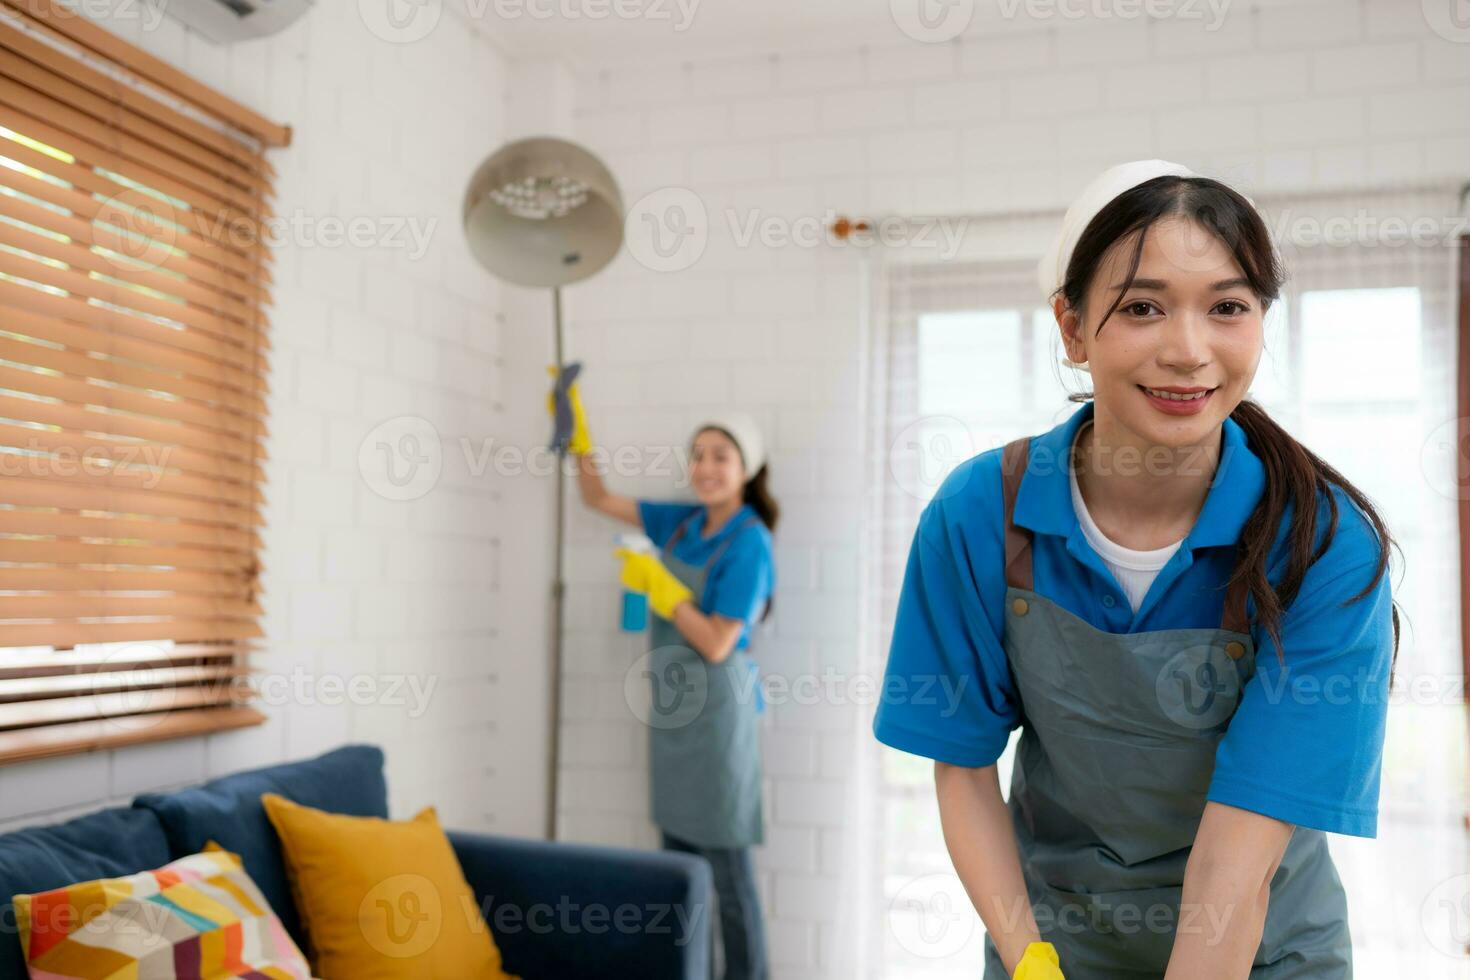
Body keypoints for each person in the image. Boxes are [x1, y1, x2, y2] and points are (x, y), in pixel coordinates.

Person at [872, 159, 1401, 979]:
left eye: (1228, 307)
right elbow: (964, 768)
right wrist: (1028, 962)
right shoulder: (981, 512)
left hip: (1262, 952)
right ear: (1073, 328)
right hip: (1056, 946)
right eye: (1143, 307)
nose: (1189, 351)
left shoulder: (1321, 543)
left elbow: (1237, 859)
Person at [551, 371, 777, 980]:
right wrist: (576, 431)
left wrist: (662, 585)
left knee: (727, 877)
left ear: (746, 468)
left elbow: (718, 642)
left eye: (720, 456)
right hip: (674, 716)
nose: (706, 466)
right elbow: (598, 499)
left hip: (719, 726)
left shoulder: (749, 542)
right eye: (698, 455)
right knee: (681, 874)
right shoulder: (680, 523)